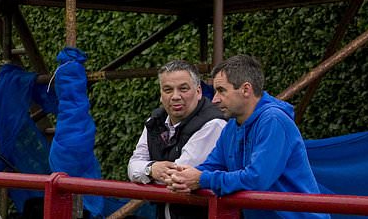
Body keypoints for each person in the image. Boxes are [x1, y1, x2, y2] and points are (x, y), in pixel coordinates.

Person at [167, 55, 330, 219]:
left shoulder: (274, 120)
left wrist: (202, 179)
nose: (215, 99)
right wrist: (184, 177)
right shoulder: (231, 126)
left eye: (221, 90)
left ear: (246, 89)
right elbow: (213, 165)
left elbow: (257, 179)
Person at [127, 60, 225, 219]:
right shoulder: (155, 121)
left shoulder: (213, 124)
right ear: (161, 95)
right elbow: (132, 166)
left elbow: (177, 177)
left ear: (199, 91)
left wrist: (147, 172)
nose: (175, 96)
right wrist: (151, 169)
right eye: (168, 90)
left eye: (183, 88)